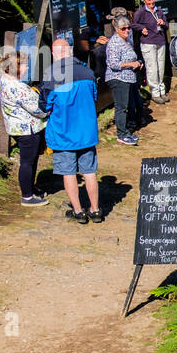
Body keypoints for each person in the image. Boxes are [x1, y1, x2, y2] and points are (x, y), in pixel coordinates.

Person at [44, 38, 102, 224]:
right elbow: (94, 97)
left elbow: (45, 105)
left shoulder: (52, 75)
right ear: (70, 52)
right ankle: (95, 210)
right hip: (86, 132)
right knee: (89, 172)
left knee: (68, 173)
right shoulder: (88, 72)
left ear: (55, 54)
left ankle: (78, 211)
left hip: (63, 133)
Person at [0, 49, 48, 206]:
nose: (27, 68)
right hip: (27, 129)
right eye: (25, 65)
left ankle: (31, 188)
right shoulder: (17, 87)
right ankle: (27, 196)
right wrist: (48, 111)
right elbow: (37, 109)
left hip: (16, 127)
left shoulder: (4, 80)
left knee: (29, 160)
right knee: (28, 162)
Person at [104, 15, 142, 146]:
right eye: (123, 28)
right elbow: (113, 64)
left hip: (129, 77)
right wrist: (131, 64)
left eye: (128, 28)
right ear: (117, 30)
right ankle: (121, 134)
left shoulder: (127, 39)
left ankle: (127, 130)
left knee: (129, 105)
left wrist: (137, 63)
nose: (127, 30)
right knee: (121, 107)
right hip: (118, 78)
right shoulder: (114, 43)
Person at [131, 0, 169, 104]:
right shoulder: (140, 12)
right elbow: (133, 24)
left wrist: (163, 23)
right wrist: (141, 29)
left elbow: (167, 25)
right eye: (149, 0)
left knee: (161, 67)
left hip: (160, 41)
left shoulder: (159, 11)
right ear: (144, 1)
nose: (151, 2)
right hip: (148, 43)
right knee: (152, 68)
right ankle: (155, 93)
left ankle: (162, 91)